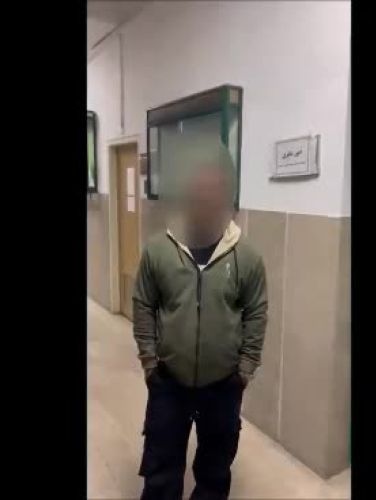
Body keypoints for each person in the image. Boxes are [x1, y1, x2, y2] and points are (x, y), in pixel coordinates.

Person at [131, 145, 268, 500]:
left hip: (223, 385)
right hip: (169, 381)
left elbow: (256, 312)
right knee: (161, 469)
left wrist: (245, 369)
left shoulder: (247, 256)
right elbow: (144, 304)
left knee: (214, 470)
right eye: (198, 188)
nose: (206, 198)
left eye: (214, 189)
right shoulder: (159, 250)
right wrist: (149, 362)